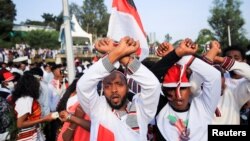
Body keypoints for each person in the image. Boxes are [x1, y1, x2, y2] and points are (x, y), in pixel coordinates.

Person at [77, 37, 161, 141]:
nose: (114, 90)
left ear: (127, 87)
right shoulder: (98, 108)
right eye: (108, 85)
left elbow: (153, 85)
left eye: (119, 84)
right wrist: (116, 52)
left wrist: (120, 55)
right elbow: (82, 86)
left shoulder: (141, 110)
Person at [151, 39, 221, 141]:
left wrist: (180, 56)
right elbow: (149, 80)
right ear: (165, 91)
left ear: (190, 88)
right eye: (171, 89)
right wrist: (175, 55)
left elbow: (214, 76)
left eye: (183, 88)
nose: (178, 94)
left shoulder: (204, 106)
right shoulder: (160, 108)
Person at [203, 44, 250, 125]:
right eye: (229, 58)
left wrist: (222, 60)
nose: (233, 61)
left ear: (244, 61)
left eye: (236, 58)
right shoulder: (220, 78)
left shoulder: (242, 85)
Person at [10, 73, 55, 141]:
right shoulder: (26, 100)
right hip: (28, 137)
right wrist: (44, 119)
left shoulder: (27, 98)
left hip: (33, 134)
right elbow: (20, 124)